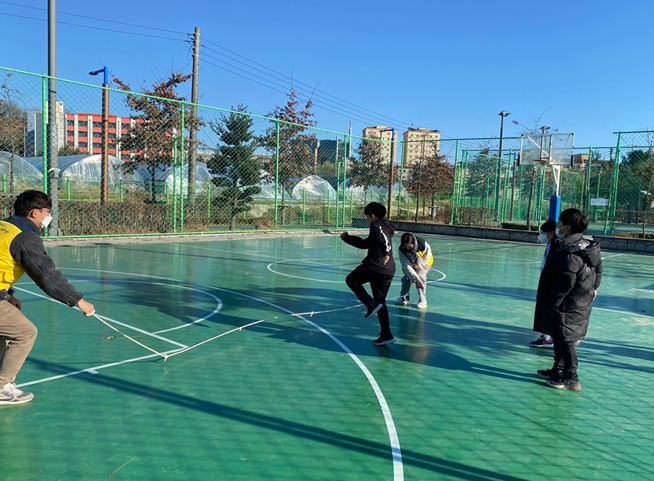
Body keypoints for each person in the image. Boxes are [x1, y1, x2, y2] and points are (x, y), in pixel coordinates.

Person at [0, 190, 95, 406]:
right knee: (25, 332)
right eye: (46, 212)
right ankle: (2, 387)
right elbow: (46, 276)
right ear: (35, 213)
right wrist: (79, 301)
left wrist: (7, 295)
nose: (48, 217)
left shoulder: (4, 226)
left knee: (7, 330)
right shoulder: (25, 236)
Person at [533, 209, 602, 390]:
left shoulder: (571, 252)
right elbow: (598, 270)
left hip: (568, 304)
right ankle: (558, 370)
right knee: (559, 337)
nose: (557, 226)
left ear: (568, 227)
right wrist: (593, 288)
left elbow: (565, 283)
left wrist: (552, 302)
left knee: (566, 341)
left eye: (560, 223)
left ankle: (571, 377)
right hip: (577, 301)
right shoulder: (585, 246)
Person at [341, 202, 396, 346]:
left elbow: (384, 241)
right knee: (380, 302)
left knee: (351, 280)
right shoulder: (385, 227)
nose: (366, 219)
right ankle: (386, 334)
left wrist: (386, 253)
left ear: (372, 216)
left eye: (366, 216)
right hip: (388, 270)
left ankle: (370, 304)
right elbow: (365, 243)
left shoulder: (377, 225)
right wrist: (347, 237)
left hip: (376, 266)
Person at [530, 220, 556, 348]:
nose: (541, 234)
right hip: (547, 282)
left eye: (543, 232)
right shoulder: (550, 245)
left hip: (550, 284)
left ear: (551, 233)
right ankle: (547, 336)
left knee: (547, 310)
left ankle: (548, 338)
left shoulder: (555, 247)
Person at [395, 233, 433, 309]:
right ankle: (403, 298)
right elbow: (406, 266)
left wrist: (418, 273)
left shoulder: (423, 245)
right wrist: (415, 278)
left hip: (424, 263)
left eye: (409, 246)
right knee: (406, 279)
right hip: (411, 265)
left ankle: (423, 300)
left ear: (413, 243)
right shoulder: (401, 250)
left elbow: (427, 258)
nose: (407, 248)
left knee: (421, 277)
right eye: (405, 246)